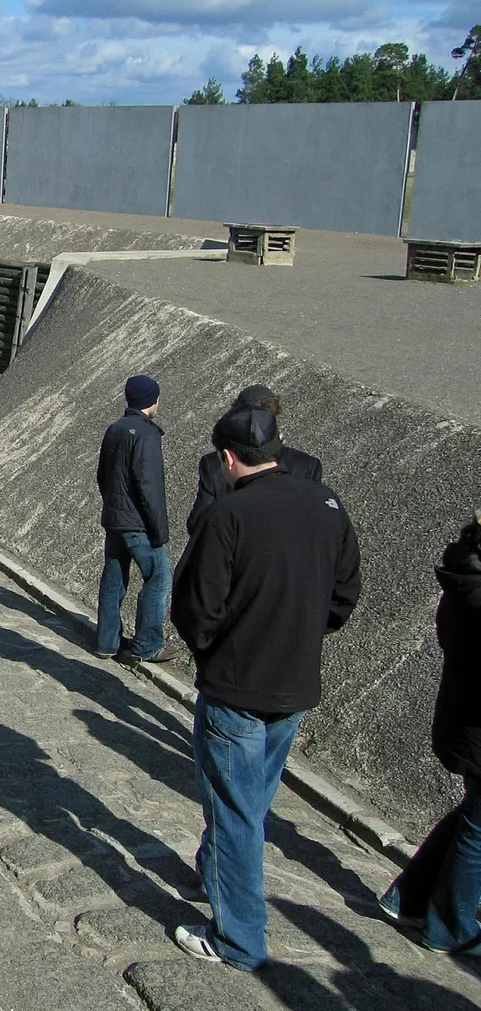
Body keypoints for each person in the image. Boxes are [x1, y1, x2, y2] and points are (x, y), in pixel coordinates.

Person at [170, 404, 361, 971]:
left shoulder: (227, 514)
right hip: (295, 683)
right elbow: (344, 595)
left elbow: (196, 608)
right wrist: (302, 632)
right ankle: (214, 876)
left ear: (228, 457)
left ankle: (239, 938)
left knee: (234, 811)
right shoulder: (326, 504)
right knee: (251, 801)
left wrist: (213, 649)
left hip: (237, 686)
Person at [377, 511, 481, 954]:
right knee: (478, 828)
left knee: (473, 816)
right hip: (474, 723)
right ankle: (449, 927)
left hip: (464, 717)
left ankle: (409, 898)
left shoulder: (465, 577)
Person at [95, 374, 176, 663]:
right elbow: (149, 485)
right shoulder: (147, 434)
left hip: (114, 520)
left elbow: (102, 475)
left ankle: (106, 643)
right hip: (138, 524)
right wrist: (160, 530)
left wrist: (113, 506)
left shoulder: (115, 429)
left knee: (114, 580)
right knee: (159, 578)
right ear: (151, 400)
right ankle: (147, 645)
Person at [187, 384, 324, 532]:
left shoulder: (215, 464)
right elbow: (316, 522)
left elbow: (198, 523)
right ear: (273, 415)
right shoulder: (306, 465)